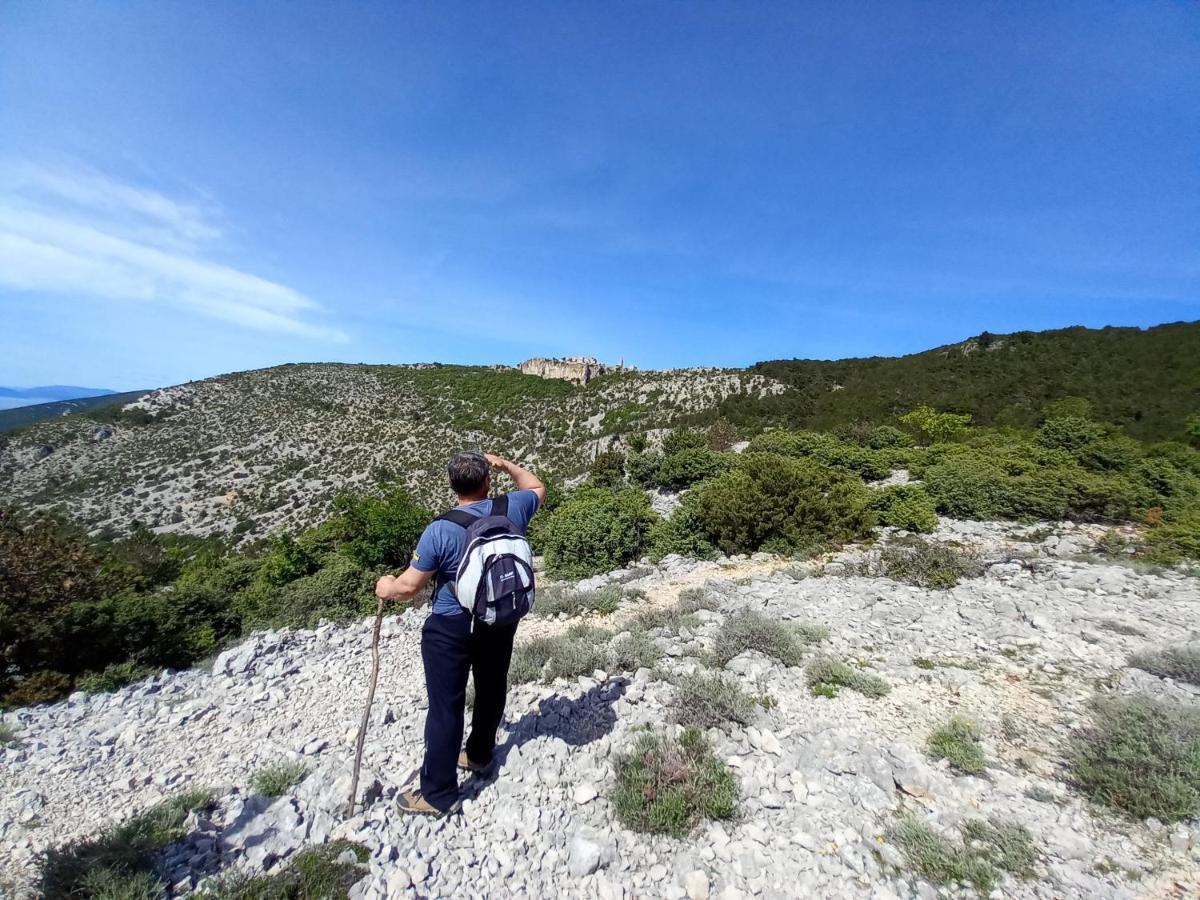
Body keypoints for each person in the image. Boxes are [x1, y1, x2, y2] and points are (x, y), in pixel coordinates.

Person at [374, 450, 545, 816]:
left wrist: (385, 587)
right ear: (487, 481)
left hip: (452, 626)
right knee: (491, 685)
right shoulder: (512, 507)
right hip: (500, 617)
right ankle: (480, 754)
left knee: (445, 707)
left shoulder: (440, 530)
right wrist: (506, 464)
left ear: (453, 485)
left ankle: (438, 794)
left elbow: (408, 589)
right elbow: (536, 485)